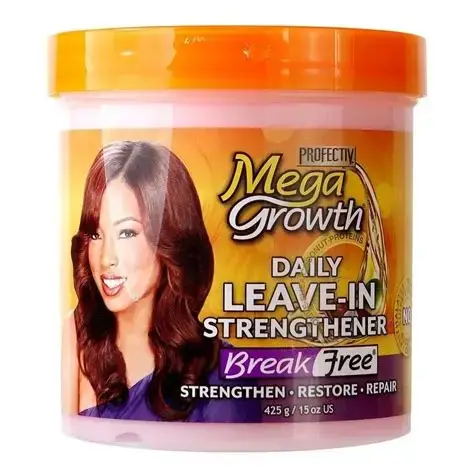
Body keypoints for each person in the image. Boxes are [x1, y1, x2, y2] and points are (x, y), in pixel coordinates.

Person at [62, 140, 262, 422]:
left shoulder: (225, 376)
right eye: (96, 234)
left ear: (170, 239)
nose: (106, 258)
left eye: (127, 233)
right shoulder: (71, 339)